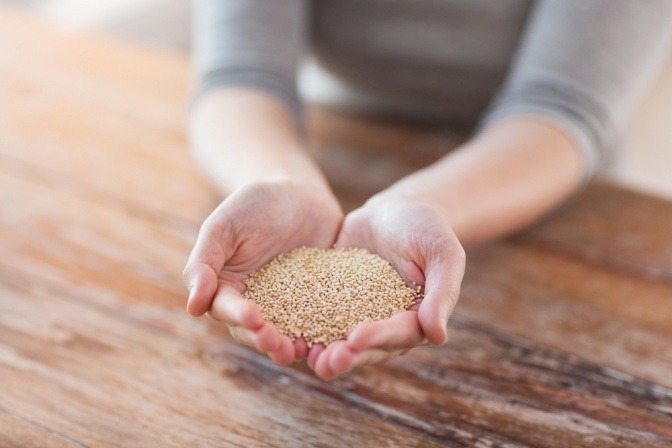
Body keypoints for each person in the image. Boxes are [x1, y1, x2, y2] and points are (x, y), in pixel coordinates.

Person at [182, 0, 672, 380]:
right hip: (329, 139)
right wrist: (277, 178)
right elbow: (240, 75)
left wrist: (423, 205)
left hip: (536, 176)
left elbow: (563, 108)